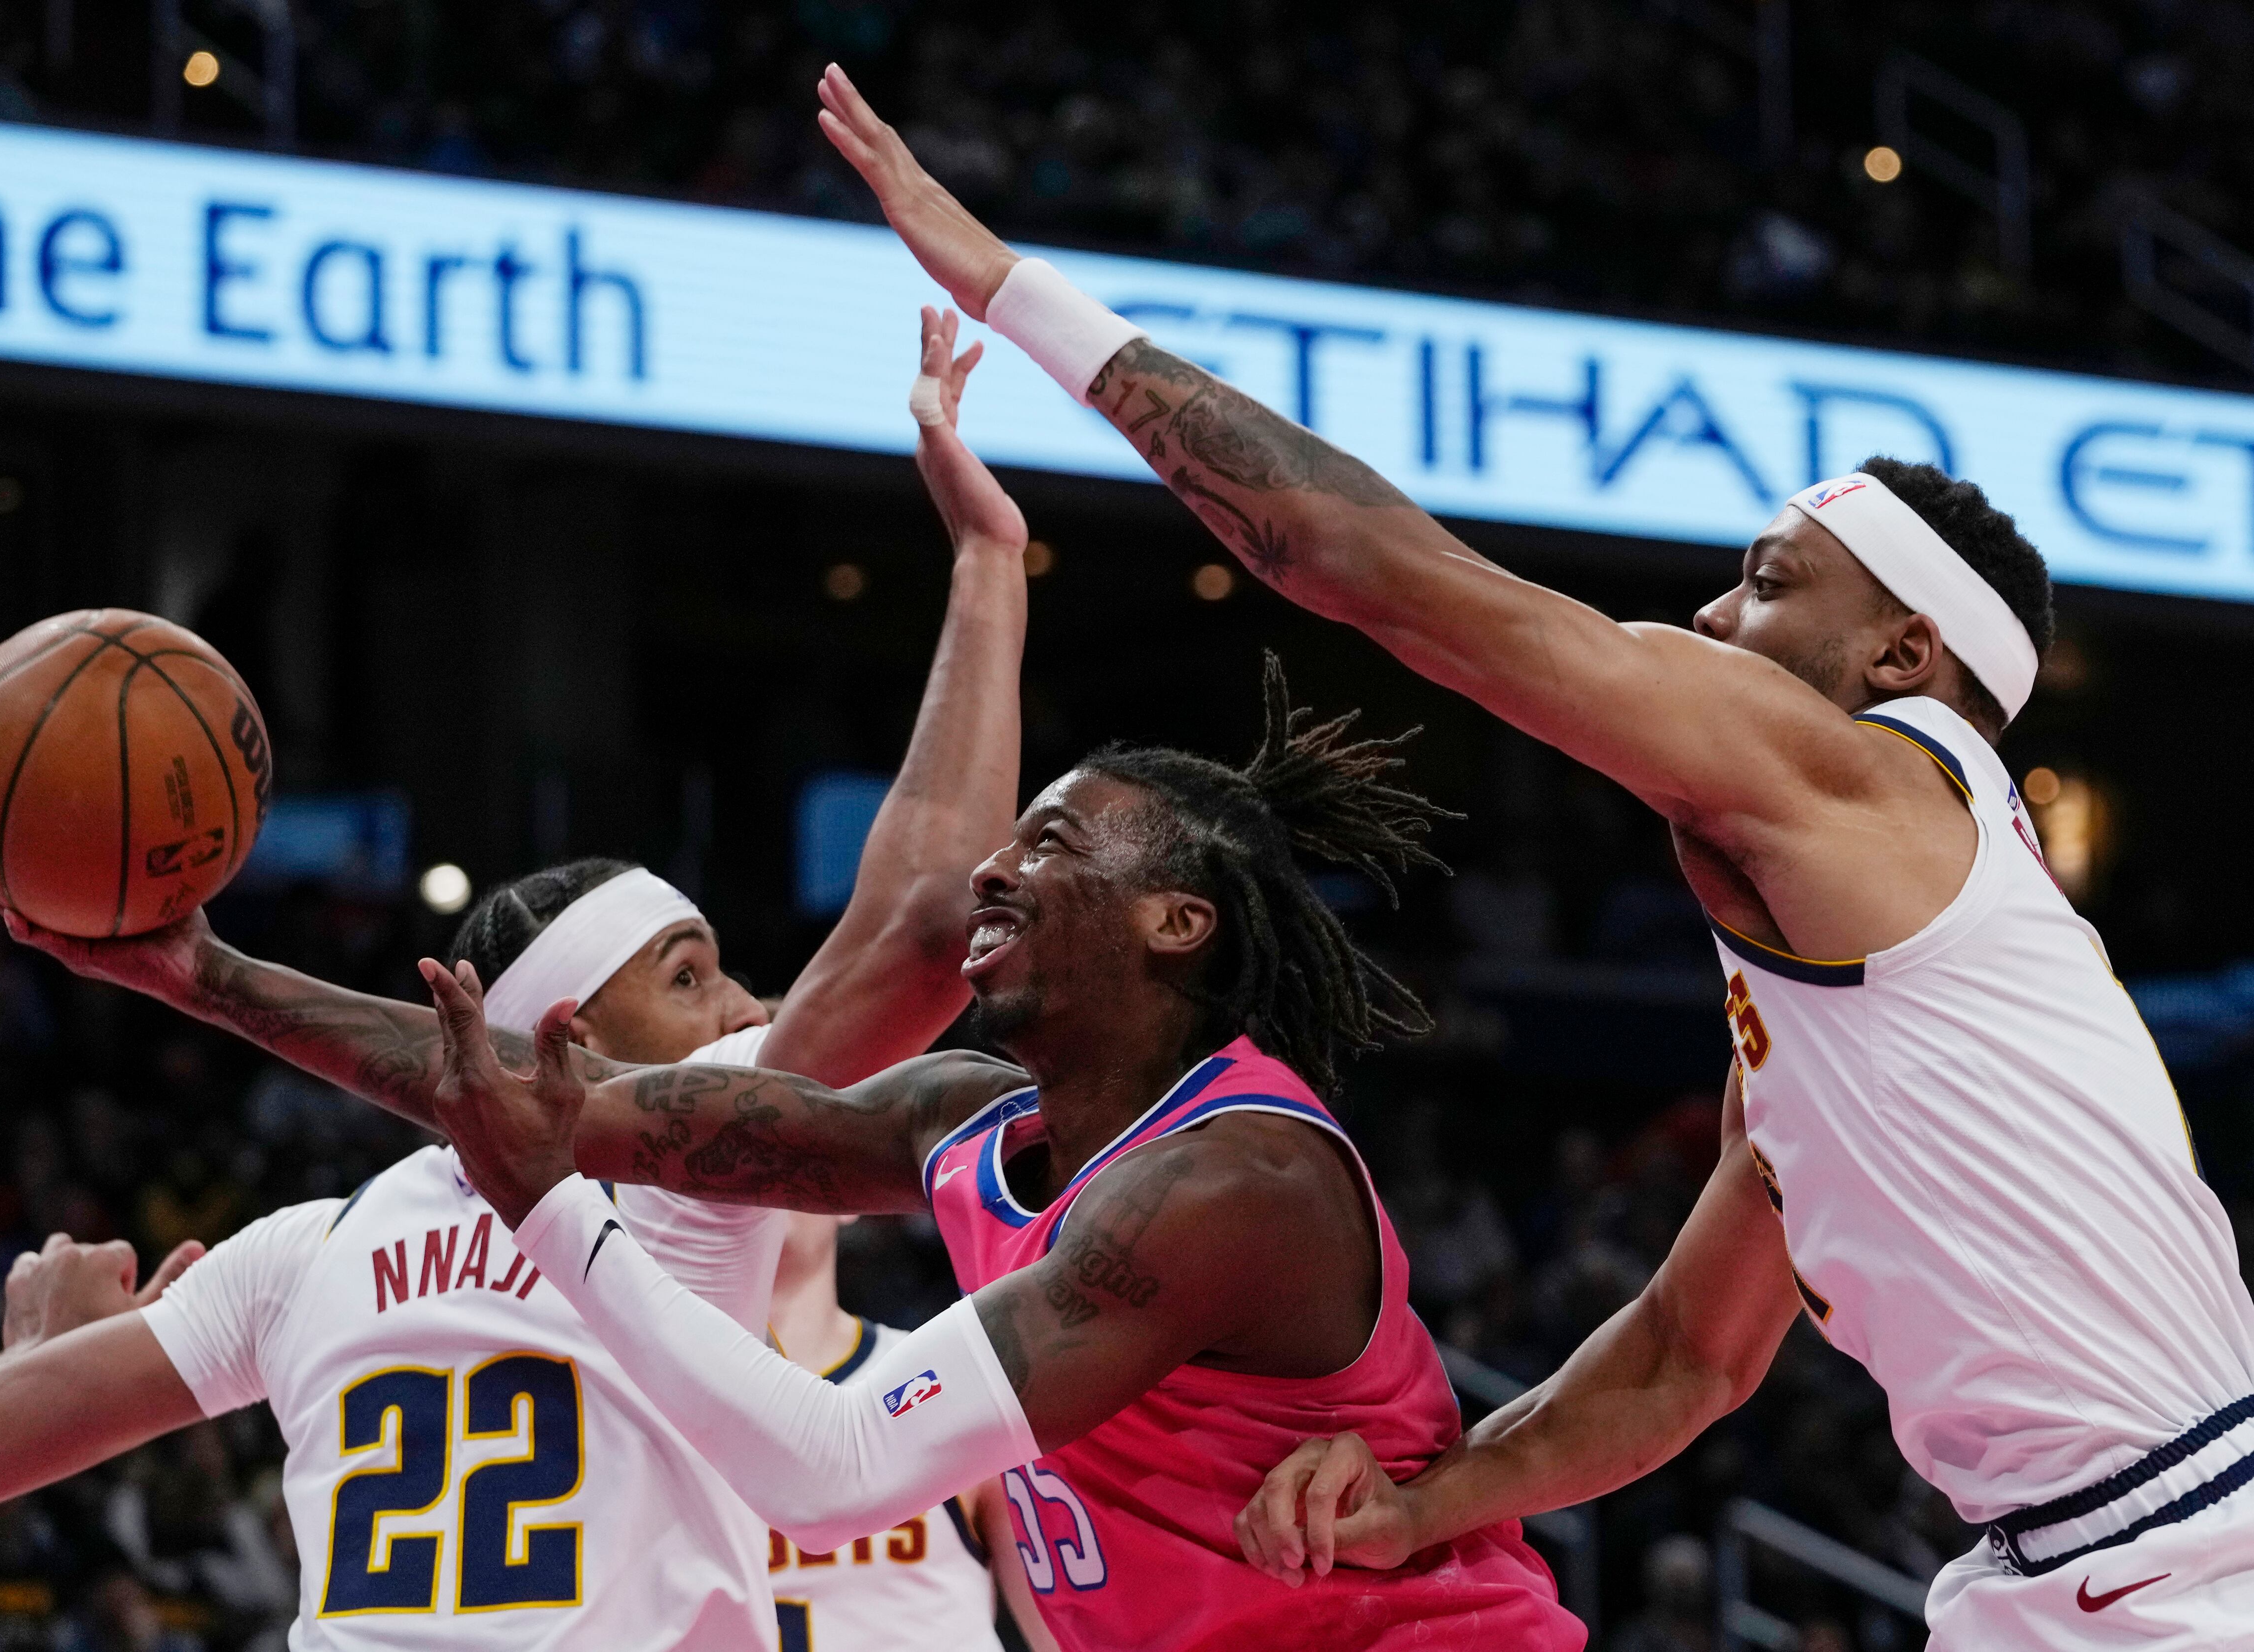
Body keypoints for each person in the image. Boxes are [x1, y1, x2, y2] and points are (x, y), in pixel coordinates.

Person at [808, 63, 2254, 1649]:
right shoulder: (1855, 1007)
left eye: (1771, 582)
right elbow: (1685, 1358)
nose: (1713, 613)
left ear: (1904, 655)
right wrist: (1428, 1498)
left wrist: (1011, 288)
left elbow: (1376, 566)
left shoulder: (1875, 780)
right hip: (2061, 1568)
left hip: (2190, 1558)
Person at [0, 306, 1030, 1652]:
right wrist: (989, 564)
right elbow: (925, 929)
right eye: (692, 977)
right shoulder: (680, 1188)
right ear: (567, 1033)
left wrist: (37, 1360)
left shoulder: (301, 1254)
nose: (749, 1014)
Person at [765, 1210, 1056, 1652]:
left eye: (775, 1169)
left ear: (844, 1197)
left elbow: (1067, 1635)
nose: (750, 1189)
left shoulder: (952, 1381)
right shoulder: (651, 1413)